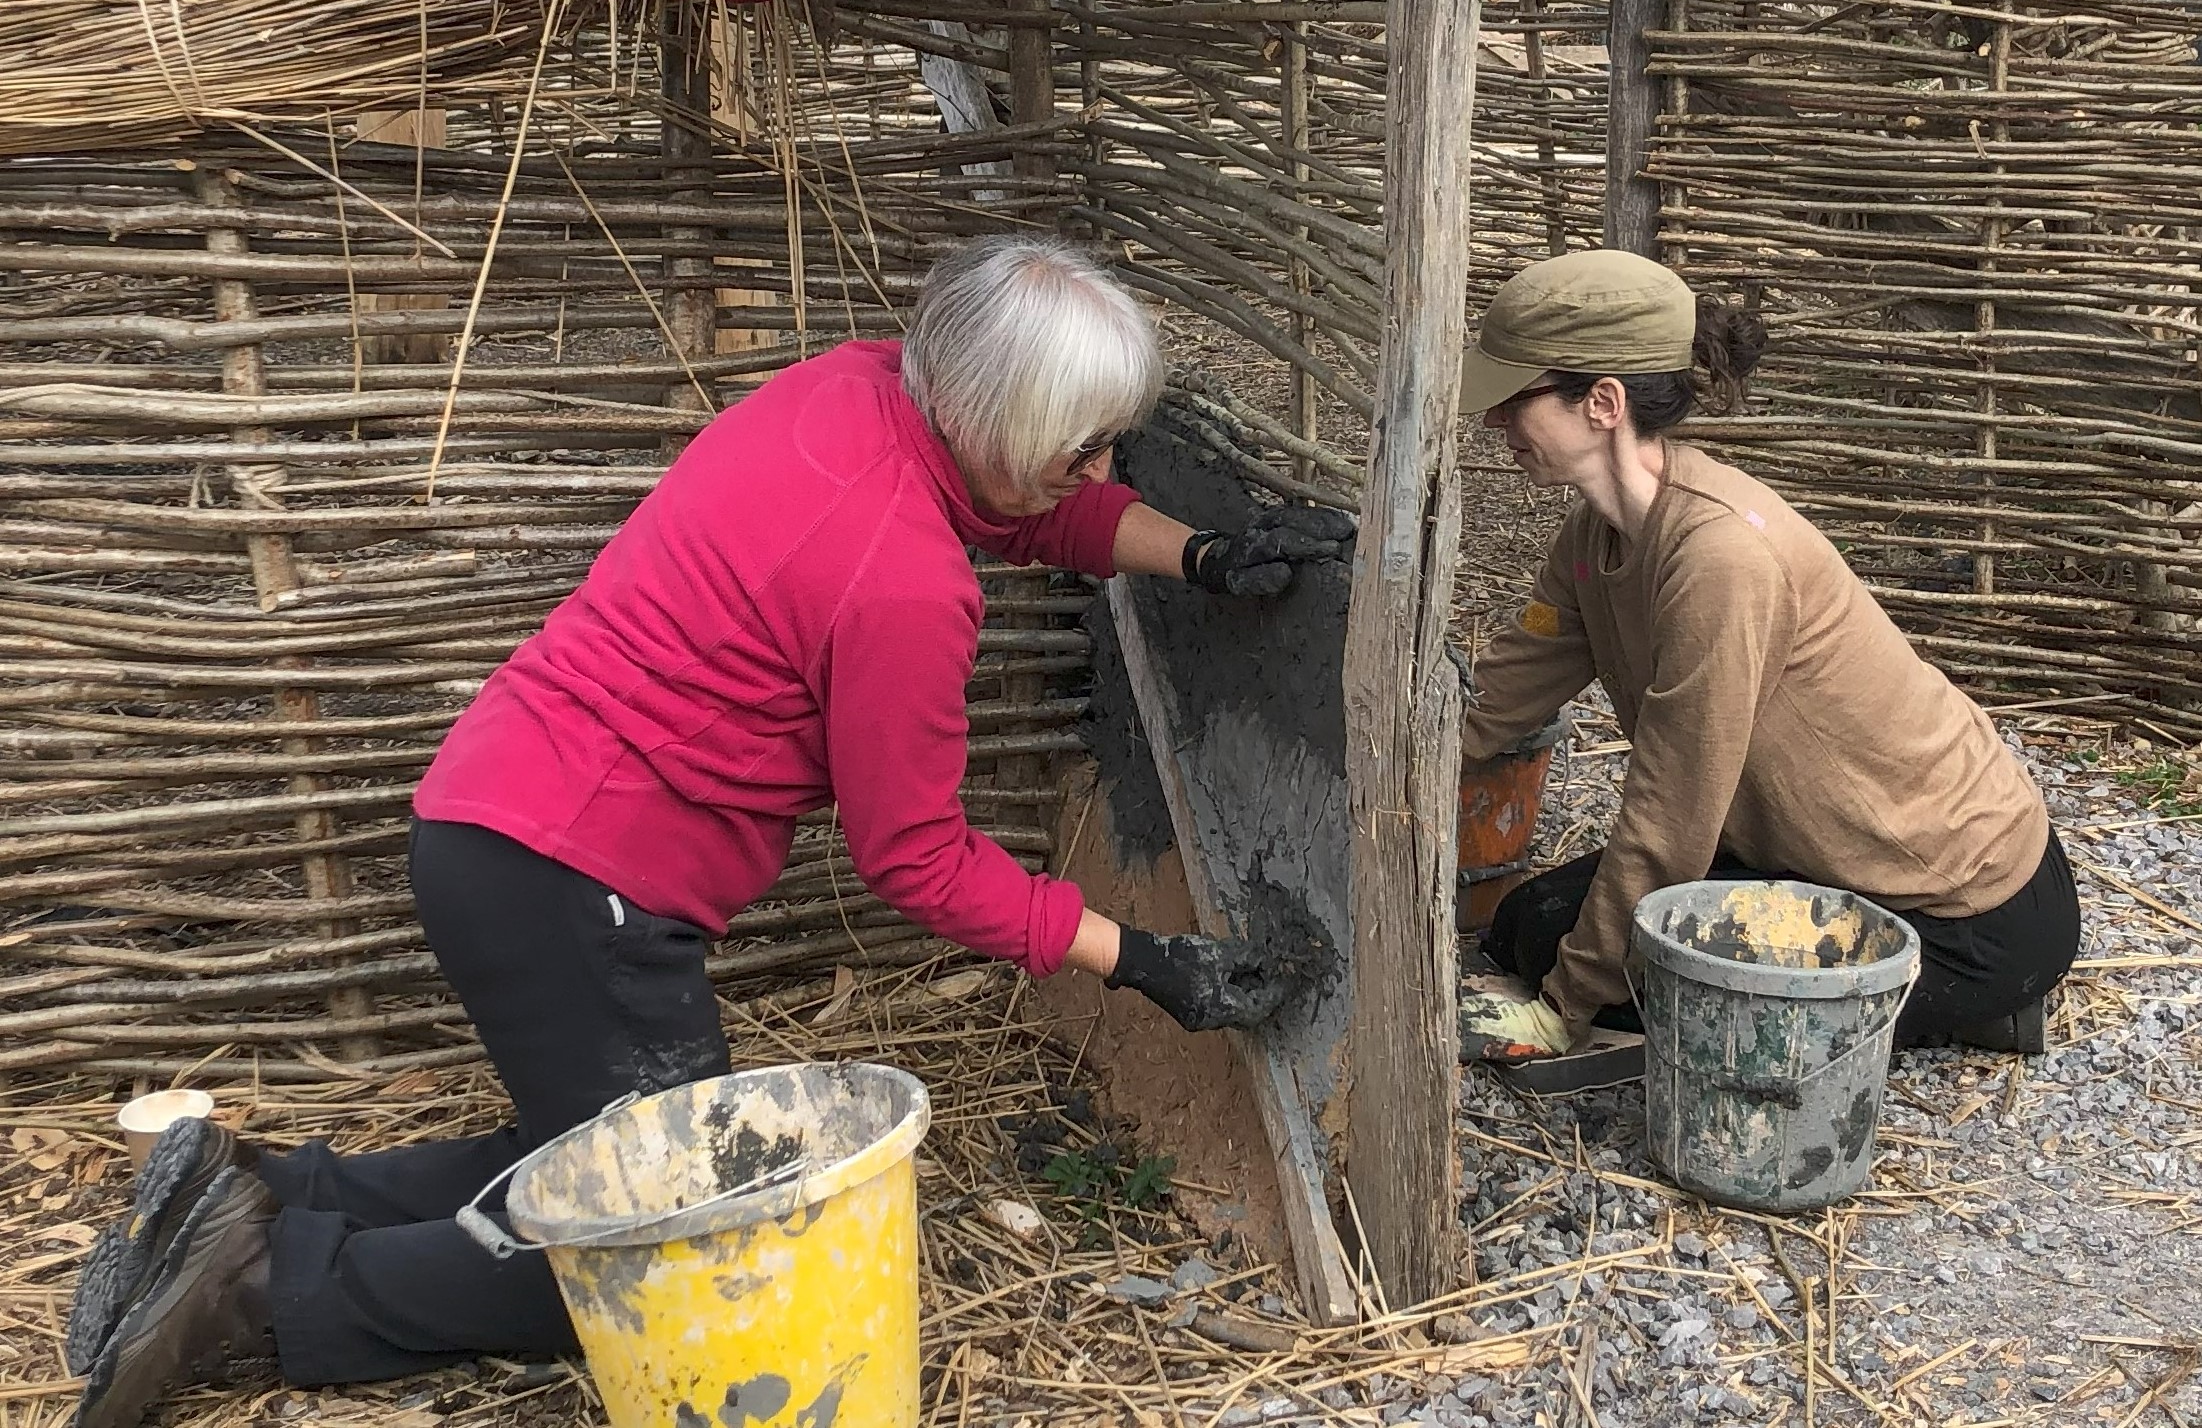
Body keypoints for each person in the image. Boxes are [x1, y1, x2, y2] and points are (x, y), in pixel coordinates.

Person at [67, 236, 1354, 1427]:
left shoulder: (857, 390)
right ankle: (256, 1284)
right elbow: (915, 859)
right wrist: (1143, 958)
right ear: (996, 417)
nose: (1102, 472)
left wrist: (1200, 554)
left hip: (499, 819)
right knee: (659, 1239)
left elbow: (1021, 498)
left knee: (588, 1155)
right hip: (580, 883)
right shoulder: (904, 583)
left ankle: (268, 1191)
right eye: (1081, 447)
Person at [1451, 249, 2080, 1063]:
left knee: (1585, 970)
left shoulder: (1720, 560)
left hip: (1964, 910)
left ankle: (1957, 1007)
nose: (1494, 423)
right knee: (1524, 927)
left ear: (1602, 403)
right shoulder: (1594, 536)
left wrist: (1563, 1010)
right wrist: (1385, 769)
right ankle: (1881, 1008)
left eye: (1513, 401)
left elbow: (1672, 815)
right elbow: (1508, 686)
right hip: (1816, 859)